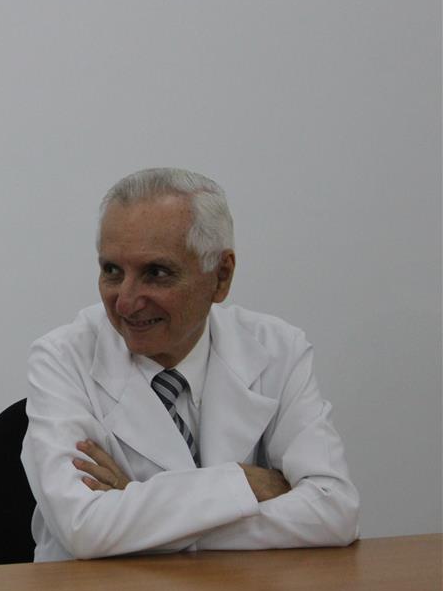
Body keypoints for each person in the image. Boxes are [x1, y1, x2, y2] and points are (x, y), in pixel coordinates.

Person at [21, 168, 359, 561]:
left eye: (156, 273)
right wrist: (241, 485)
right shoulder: (62, 357)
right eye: (112, 271)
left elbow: (334, 511)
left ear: (221, 276)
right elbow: (85, 527)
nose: (125, 301)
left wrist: (137, 510)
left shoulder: (279, 349)